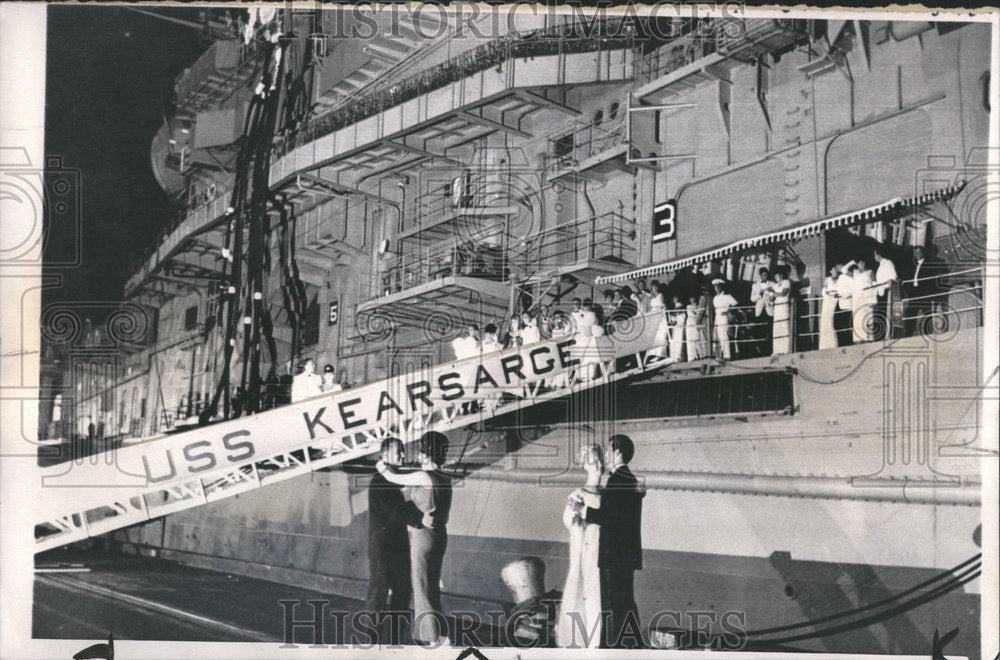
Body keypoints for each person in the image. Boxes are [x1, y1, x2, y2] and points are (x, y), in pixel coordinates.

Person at [377, 432, 453, 646]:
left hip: (423, 537)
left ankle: (431, 640)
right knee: (432, 587)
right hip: (439, 535)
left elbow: (392, 477)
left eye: (421, 450)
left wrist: (381, 464)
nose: (418, 455)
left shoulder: (423, 477)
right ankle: (442, 635)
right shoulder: (444, 477)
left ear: (427, 454)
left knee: (421, 588)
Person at [570, 435, 645, 649]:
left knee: (614, 604)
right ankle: (632, 644)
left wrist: (582, 510)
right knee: (625, 602)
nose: (606, 456)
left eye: (609, 451)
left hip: (614, 555)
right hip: (625, 555)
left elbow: (610, 518)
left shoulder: (617, 479)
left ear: (617, 452)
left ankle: (617, 647)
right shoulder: (628, 479)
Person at [366, 438, 417, 645]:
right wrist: (421, 510)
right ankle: (373, 640)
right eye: (399, 452)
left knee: (402, 590)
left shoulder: (392, 479)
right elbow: (396, 512)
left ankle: (395, 640)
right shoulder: (380, 481)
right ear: (385, 456)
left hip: (397, 545)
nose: (403, 456)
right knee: (379, 592)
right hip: (383, 547)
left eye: (403, 452)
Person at [555, 445, 604, 649]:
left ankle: (595, 646)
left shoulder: (609, 496)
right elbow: (570, 522)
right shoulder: (577, 496)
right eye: (594, 462)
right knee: (577, 596)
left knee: (596, 603)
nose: (599, 466)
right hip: (583, 556)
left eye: (600, 461)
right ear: (585, 465)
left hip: (600, 558)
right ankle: (572, 644)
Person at [903, 244, 947, 336]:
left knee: (927, 313)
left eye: (919, 252)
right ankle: (908, 334)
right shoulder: (913, 265)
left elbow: (933, 278)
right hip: (914, 293)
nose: (917, 254)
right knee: (910, 313)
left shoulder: (929, 264)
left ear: (924, 253)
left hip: (924, 292)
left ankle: (928, 333)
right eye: (915, 252)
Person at [873, 245, 898, 339]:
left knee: (887, 315)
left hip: (887, 293)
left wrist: (885, 286)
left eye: (874, 255)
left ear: (878, 254)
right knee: (882, 316)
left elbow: (893, 278)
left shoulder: (888, 263)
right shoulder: (881, 265)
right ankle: (884, 335)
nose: (874, 257)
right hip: (881, 293)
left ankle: (888, 335)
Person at [711, 279, 738, 360]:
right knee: (717, 337)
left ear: (721, 287)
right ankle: (719, 356)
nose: (717, 289)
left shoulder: (727, 296)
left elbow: (736, 304)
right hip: (717, 318)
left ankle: (727, 355)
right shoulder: (715, 298)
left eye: (718, 287)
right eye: (715, 287)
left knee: (724, 337)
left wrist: (728, 311)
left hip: (723, 318)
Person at [750, 267, 775, 357]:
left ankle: (771, 350)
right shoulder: (755, 285)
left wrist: (770, 295)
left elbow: (774, 295)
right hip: (760, 312)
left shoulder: (772, 284)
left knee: (770, 330)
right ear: (760, 275)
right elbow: (752, 299)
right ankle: (761, 351)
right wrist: (760, 294)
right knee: (760, 331)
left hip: (769, 310)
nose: (765, 276)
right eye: (763, 275)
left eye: (766, 274)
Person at [851, 260, 877, 343]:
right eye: (859, 262)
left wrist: (874, 299)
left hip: (867, 297)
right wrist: (852, 262)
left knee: (868, 318)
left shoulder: (870, 272)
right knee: (858, 318)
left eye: (863, 262)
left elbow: (875, 285)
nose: (861, 264)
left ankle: (869, 339)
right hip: (857, 299)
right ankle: (858, 339)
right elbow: (844, 270)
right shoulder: (855, 272)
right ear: (857, 264)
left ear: (865, 263)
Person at [645, 283, 669, 363]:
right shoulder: (653, 297)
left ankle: (661, 354)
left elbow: (661, 305)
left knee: (661, 334)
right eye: (653, 287)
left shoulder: (661, 295)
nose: (654, 288)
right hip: (654, 317)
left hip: (660, 317)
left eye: (655, 287)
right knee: (655, 336)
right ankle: (655, 354)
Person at [771, 266, 793, 355]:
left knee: (784, 326)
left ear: (780, 275)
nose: (775, 277)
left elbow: (783, 294)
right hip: (777, 307)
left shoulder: (786, 282)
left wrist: (772, 294)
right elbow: (773, 294)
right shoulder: (775, 285)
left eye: (776, 275)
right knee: (777, 327)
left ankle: (785, 349)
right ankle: (777, 350)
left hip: (784, 306)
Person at [819, 265, 841, 350]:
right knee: (825, 320)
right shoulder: (827, 280)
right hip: (827, 301)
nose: (835, 271)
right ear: (830, 271)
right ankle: (825, 345)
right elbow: (824, 291)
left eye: (837, 270)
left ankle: (833, 343)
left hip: (835, 301)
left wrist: (836, 295)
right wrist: (829, 295)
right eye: (834, 270)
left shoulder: (840, 280)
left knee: (832, 320)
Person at [835, 261, 856, 346]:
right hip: (841, 304)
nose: (837, 268)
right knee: (840, 325)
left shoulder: (849, 277)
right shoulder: (840, 277)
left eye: (837, 265)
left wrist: (845, 295)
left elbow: (853, 289)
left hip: (848, 304)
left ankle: (849, 343)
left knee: (848, 325)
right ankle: (843, 343)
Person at [685, 292, 708, 360]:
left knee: (698, 339)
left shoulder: (698, 306)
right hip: (690, 324)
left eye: (693, 298)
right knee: (691, 341)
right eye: (690, 298)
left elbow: (698, 313)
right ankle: (692, 356)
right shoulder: (688, 306)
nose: (692, 299)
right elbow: (694, 312)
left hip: (695, 323)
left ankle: (700, 355)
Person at [667, 295, 687, 363]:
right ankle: (674, 356)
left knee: (679, 341)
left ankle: (679, 357)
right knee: (674, 341)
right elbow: (674, 320)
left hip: (680, 327)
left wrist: (674, 320)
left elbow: (680, 319)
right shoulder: (673, 310)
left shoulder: (681, 311)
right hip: (676, 328)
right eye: (674, 298)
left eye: (676, 298)